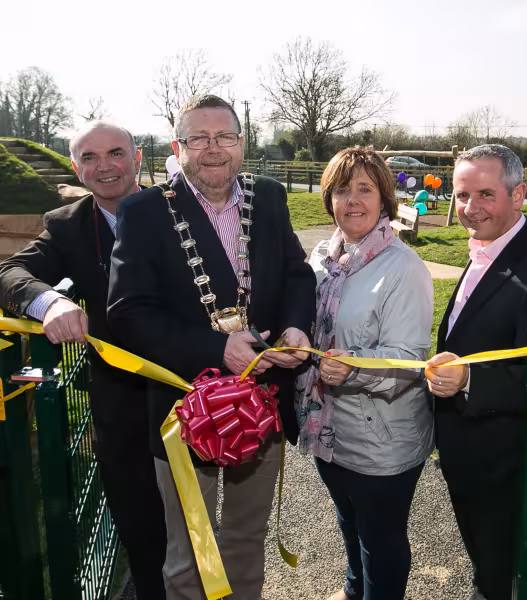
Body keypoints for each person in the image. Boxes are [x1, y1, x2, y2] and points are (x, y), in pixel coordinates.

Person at [106, 94, 317, 599]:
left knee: (246, 539)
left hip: (262, 405)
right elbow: (127, 314)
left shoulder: (269, 197)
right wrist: (215, 348)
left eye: (224, 136)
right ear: (177, 148)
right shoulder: (143, 212)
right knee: (188, 553)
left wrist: (295, 327)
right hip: (182, 411)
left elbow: (297, 274)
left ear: (242, 144)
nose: (213, 148)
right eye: (198, 138)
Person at [0, 121, 168, 598]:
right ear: (76, 168)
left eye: (116, 153)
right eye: (89, 158)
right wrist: (49, 302)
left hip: (190, 390)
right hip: (120, 399)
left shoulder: (178, 208)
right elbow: (10, 271)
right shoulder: (67, 225)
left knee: (204, 519)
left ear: (137, 158)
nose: (104, 166)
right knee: (139, 523)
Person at [424, 144, 527, 600]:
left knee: (503, 576)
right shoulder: (488, 247)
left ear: (518, 195)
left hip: (509, 466)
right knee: (486, 568)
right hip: (472, 453)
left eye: (486, 194)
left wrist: (469, 380)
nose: (471, 208)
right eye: (462, 195)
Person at [296, 147, 434, 600]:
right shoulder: (323, 256)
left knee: (381, 538)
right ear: (328, 198)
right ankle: (355, 589)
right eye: (342, 189)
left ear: (384, 199)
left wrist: (352, 363)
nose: (352, 200)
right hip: (328, 425)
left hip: (382, 435)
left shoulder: (403, 267)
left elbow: (408, 357)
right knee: (348, 518)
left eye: (365, 189)